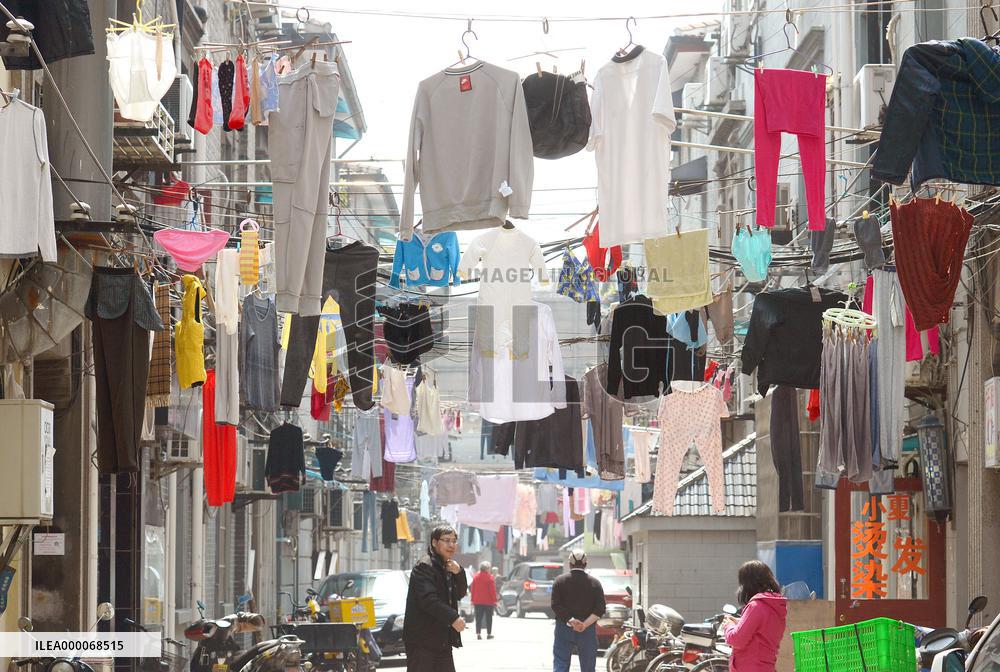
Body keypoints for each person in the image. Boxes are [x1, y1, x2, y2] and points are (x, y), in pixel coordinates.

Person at [403, 524, 468, 672]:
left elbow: (459, 594)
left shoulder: (448, 566)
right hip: (422, 641)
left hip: (441, 640)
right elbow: (428, 600)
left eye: (454, 540)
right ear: (434, 542)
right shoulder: (425, 566)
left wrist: (459, 573)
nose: (451, 545)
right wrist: (453, 618)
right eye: (446, 540)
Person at [722, 560, 788, 672]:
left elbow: (737, 639)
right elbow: (762, 631)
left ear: (748, 583)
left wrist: (728, 626)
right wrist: (740, 623)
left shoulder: (756, 606)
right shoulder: (775, 605)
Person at [550, 550, 606, 672]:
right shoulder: (595, 583)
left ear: (570, 564)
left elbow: (555, 605)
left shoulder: (560, 581)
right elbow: (600, 608)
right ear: (586, 564)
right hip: (587, 629)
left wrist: (571, 620)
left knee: (561, 662)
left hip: (564, 627)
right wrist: (584, 624)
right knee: (588, 666)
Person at [470, 561, 498, 640]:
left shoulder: (476, 577)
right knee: (489, 618)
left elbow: (473, 589)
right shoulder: (490, 577)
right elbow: (492, 590)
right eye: (489, 568)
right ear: (486, 569)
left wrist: (472, 600)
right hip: (488, 602)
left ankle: (478, 634)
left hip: (478, 601)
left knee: (478, 618)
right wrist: (495, 600)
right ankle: (489, 634)